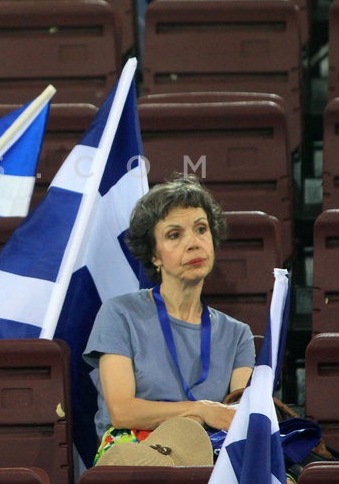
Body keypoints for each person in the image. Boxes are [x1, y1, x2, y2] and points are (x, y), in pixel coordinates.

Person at [83, 174, 256, 466]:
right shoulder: (120, 314)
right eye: (175, 235)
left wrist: (205, 418)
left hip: (207, 455)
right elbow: (122, 411)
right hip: (136, 453)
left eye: (201, 229)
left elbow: (233, 418)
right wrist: (200, 410)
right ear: (154, 255)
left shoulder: (238, 335)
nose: (193, 243)